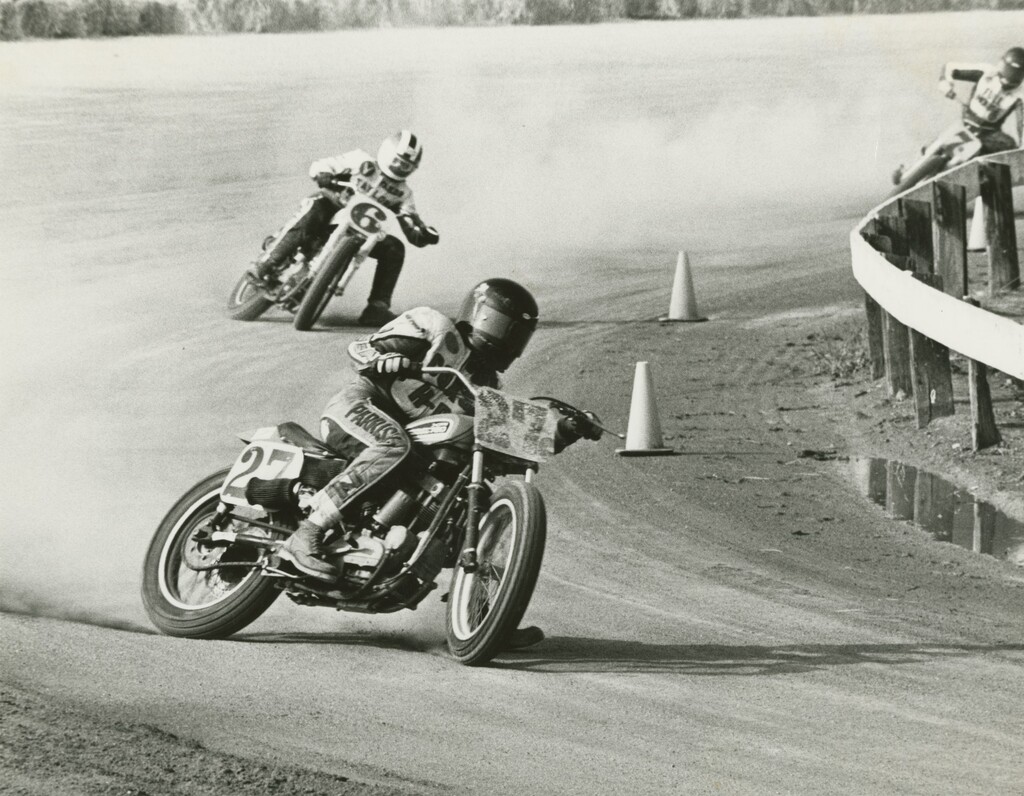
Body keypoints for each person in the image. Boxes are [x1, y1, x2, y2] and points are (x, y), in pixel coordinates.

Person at [276, 277, 603, 582]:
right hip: (364, 404)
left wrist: (566, 428)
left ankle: (477, 594)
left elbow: (513, 438)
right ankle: (307, 532)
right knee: (393, 444)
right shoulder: (433, 326)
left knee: (468, 492)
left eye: (517, 335)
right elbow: (360, 349)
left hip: (413, 442)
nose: (505, 340)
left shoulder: (489, 385)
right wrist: (384, 360)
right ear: (476, 313)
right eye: (500, 325)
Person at [250, 131, 440, 327]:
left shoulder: (404, 194)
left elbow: (410, 224)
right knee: (317, 209)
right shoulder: (361, 161)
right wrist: (324, 175)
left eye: (406, 165)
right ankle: (267, 263)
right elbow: (320, 166)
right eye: (397, 161)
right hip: (332, 208)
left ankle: (377, 308)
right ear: (387, 152)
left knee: (395, 248)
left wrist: (423, 235)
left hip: (364, 233)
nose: (400, 167)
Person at [937, 46, 1024, 155]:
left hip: (989, 133)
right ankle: (933, 150)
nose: (1008, 76)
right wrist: (945, 83)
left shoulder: (1020, 96)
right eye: (1007, 70)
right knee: (937, 145)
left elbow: (1022, 124)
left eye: (1015, 73)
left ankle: (982, 163)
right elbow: (950, 67)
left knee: (1010, 147)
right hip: (967, 121)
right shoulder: (987, 72)